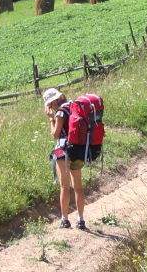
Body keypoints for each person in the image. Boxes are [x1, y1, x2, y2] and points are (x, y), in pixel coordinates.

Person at [43, 87, 88, 230]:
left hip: (64, 152)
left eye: (50, 104)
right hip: (79, 150)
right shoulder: (73, 106)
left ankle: (65, 219)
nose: (50, 107)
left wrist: (51, 119)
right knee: (78, 187)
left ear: (55, 101)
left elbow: (55, 134)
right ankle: (80, 219)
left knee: (64, 186)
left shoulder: (60, 112)